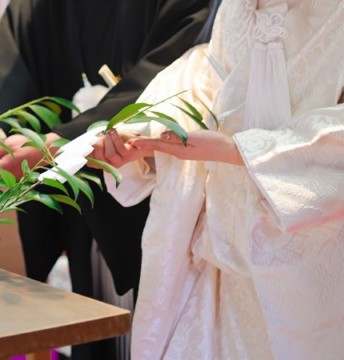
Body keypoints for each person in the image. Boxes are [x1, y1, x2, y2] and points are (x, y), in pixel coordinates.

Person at [0, 1, 220, 359]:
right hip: (75, 195)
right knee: (90, 325)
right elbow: (15, 63)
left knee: (156, 328)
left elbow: (178, 74)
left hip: (154, 189)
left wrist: (65, 142)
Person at [91, 0, 344, 358]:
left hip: (314, 283)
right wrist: (147, 139)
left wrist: (237, 149)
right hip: (222, 271)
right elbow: (201, 85)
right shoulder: (236, 8)